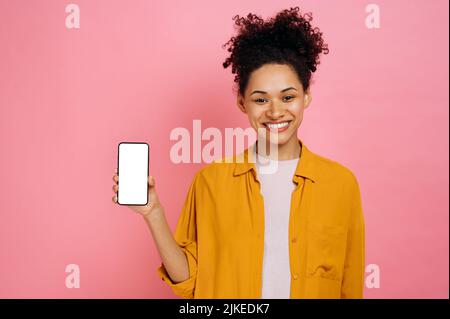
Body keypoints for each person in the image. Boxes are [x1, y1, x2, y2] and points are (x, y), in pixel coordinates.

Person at [112, 7, 365, 299]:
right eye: (261, 99)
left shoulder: (342, 185)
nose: (275, 111)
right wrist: (153, 214)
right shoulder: (210, 182)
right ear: (242, 103)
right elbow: (189, 282)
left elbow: (350, 285)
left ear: (306, 96)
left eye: (288, 97)